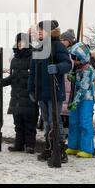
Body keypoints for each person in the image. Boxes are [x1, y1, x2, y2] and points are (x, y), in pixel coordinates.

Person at [28, 20, 72, 164]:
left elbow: (67, 63)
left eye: (42, 29)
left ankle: (59, 150)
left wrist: (58, 68)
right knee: (46, 121)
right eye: (38, 29)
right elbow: (32, 71)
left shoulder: (58, 46)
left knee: (55, 121)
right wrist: (31, 89)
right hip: (41, 91)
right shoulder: (38, 48)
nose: (39, 31)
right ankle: (49, 147)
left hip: (54, 89)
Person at [0, 33, 37, 153]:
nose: (20, 44)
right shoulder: (14, 59)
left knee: (29, 123)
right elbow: (13, 76)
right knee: (18, 123)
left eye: (23, 42)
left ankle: (30, 145)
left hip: (29, 95)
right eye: (18, 41)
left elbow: (34, 76)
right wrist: (4, 82)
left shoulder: (33, 57)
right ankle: (19, 144)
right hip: (17, 95)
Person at [66, 42, 95, 158]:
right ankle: (73, 146)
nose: (74, 60)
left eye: (75, 58)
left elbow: (83, 88)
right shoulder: (77, 68)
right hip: (76, 99)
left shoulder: (88, 70)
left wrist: (75, 102)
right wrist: (71, 76)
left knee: (85, 122)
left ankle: (87, 149)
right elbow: (74, 79)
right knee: (73, 122)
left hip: (86, 99)